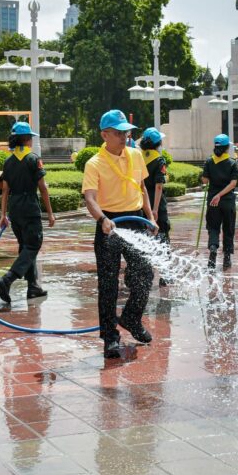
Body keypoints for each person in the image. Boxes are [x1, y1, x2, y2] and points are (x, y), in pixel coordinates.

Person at [82, 110, 158, 359]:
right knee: (108, 283)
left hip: (135, 221)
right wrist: (102, 219)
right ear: (105, 135)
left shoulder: (135, 155)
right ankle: (110, 338)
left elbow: (142, 187)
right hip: (110, 224)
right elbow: (90, 198)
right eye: (118, 133)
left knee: (144, 274)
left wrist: (150, 217)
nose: (124, 137)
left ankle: (132, 318)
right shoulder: (94, 163)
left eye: (126, 132)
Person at [0, 122, 55, 303]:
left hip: (15, 209)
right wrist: (50, 213)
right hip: (29, 208)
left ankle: (33, 287)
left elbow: (5, 190)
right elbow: (43, 188)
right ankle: (7, 279)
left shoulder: (8, 162)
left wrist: (3, 215)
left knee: (26, 247)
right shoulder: (33, 159)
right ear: (27, 139)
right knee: (33, 244)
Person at [201, 134, 238, 269]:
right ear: (227, 147)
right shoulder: (232, 163)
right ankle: (227, 259)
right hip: (228, 201)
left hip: (213, 201)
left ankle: (213, 250)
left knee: (213, 227)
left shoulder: (209, 162)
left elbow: (204, 180)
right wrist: (221, 195)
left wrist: (216, 194)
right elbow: (233, 183)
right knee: (228, 229)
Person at [140, 127, 171, 248]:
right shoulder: (159, 160)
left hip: (141, 200)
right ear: (158, 143)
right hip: (155, 200)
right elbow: (158, 186)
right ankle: (165, 256)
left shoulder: (138, 157)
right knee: (162, 232)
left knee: (144, 233)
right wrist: (155, 210)